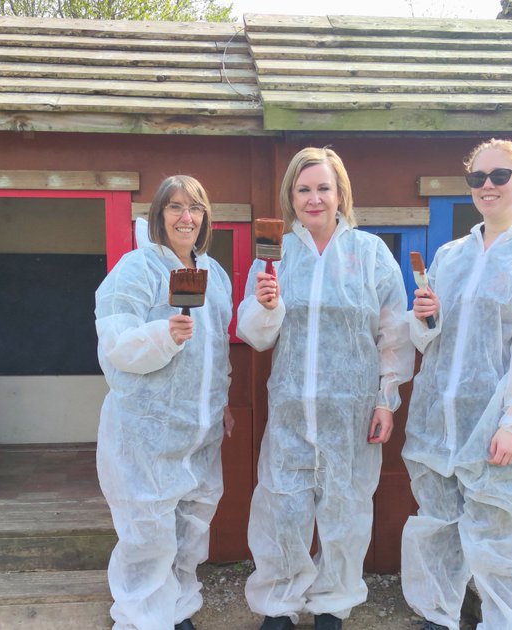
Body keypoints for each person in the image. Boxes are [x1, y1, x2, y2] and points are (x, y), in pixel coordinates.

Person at [401, 140, 512, 630]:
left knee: (496, 540)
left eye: (500, 176)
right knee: (437, 528)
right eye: (477, 178)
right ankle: (436, 617)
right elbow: (426, 339)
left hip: (496, 429)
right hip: (438, 425)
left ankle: (501, 623)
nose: (487, 187)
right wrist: (425, 319)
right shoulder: (451, 255)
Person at [237, 147, 414, 630]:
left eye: (323, 189)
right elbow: (254, 334)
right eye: (303, 190)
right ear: (291, 197)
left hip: (352, 412)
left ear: (340, 195)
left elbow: (393, 333)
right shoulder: (275, 256)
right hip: (293, 409)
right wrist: (266, 305)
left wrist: (386, 400)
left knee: (347, 507)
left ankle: (333, 603)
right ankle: (278, 603)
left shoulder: (370, 254)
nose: (314, 199)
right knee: (282, 506)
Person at [94, 175, 234, 630]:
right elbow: (115, 342)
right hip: (146, 431)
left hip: (199, 430)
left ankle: (176, 610)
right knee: (148, 532)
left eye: (194, 207)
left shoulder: (216, 275)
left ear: (205, 217)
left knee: (191, 527)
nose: (186, 217)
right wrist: (163, 335)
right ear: (159, 216)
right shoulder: (135, 270)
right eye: (174, 207)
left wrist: (223, 400)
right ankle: (141, 618)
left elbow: (218, 353)